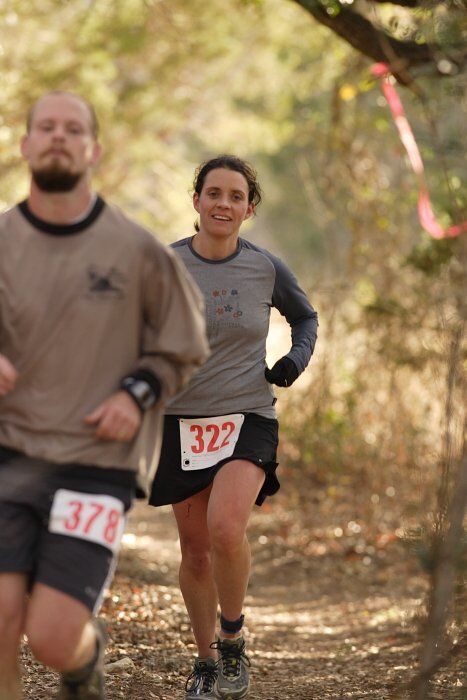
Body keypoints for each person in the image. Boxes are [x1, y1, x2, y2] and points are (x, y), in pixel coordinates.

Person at [0, 91, 209, 700]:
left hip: (96, 465)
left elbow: (184, 342)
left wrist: (136, 393)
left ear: (93, 149)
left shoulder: (135, 249)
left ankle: (85, 659)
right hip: (9, 454)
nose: (58, 136)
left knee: (52, 638)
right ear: (26, 145)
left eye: (72, 128)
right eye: (46, 127)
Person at [149, 155, 318, 699]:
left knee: (226, 529)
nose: (224, 203)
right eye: (213, 193)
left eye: (235, 196)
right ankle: (203, 664)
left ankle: (232, 637)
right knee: (195, 549)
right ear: (196, 200)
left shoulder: (266, 267)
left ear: (249, 207)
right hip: (180, 421)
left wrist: (294, 360)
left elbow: (306, 318)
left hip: (247, 414)